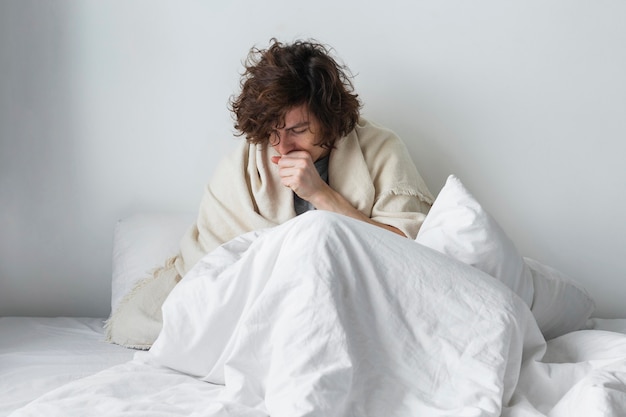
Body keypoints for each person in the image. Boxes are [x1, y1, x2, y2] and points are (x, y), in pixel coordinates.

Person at [105, 38, 434, 349]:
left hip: (354, 299)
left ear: (329, 119)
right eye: (272, 133)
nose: (283, 146)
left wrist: (321, 195)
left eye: (298, 130)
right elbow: (213, 262)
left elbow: (406, 255)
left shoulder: (381, 150)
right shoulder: (245, 164)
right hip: (264, 306)